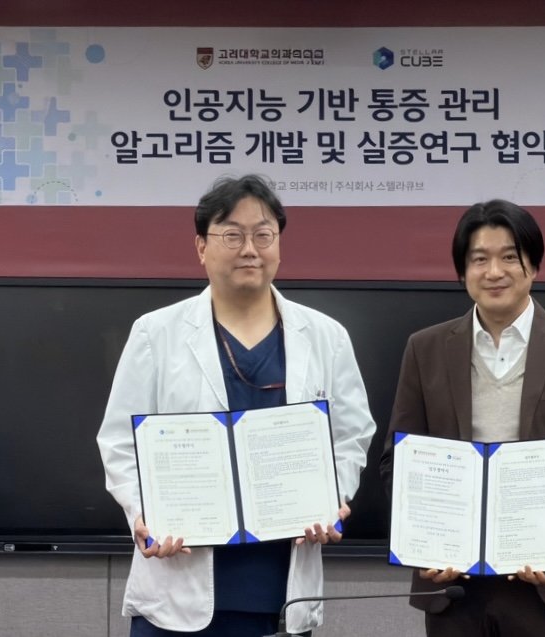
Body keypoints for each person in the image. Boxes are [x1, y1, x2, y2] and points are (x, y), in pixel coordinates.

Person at [97, 174, 376, 637]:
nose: (250, 249)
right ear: (201, 247)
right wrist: (144, 513)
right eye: (232, 235)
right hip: (177, 584)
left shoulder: (326, 336)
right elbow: (119, 442)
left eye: (263, 235)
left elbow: (351, 435)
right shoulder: (155, 333)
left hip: (279, 589)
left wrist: (333, 497)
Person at [379, 199, 545, 637]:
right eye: (479, 259)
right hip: (453, 585)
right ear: (462, 271)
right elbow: (398, 462)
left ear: (533, 266)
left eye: (509, 257)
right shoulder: (425, 349)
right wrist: (423, 539)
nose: (494, 271)